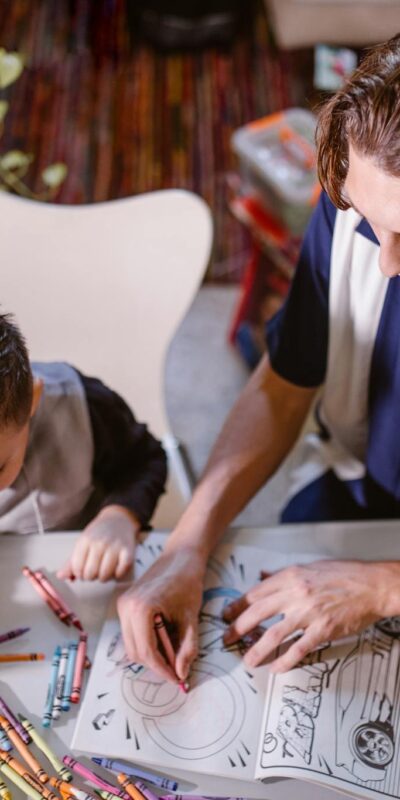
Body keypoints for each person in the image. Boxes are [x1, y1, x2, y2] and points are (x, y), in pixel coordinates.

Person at [116, 32, 400, 684]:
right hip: (355, 491)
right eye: (368, 220)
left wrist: (384, 588)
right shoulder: (353, 208)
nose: (384, 264)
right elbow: (285, 385)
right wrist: (188, 543)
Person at [0, 312, 167, 581]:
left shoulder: (85, 408)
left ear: (32, 401)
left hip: (81, 573)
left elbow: (147, 461)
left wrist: (120, 515)